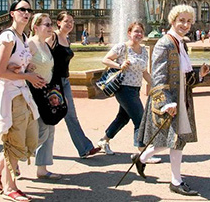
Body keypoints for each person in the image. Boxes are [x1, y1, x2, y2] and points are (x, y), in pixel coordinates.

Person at [134, 4, 210, 196]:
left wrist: (199, 75)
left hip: (182, 98)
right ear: (172, 21)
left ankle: (141, 158)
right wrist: (166, 103)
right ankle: (176, 181)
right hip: (169, 101)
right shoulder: (164, 43)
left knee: (172, 139)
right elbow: (158, 78)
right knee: (176, 140)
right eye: (181, 20)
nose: (185, 24)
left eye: (188, 21)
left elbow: (183, 76)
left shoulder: (181, 44)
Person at [0, 0, 43, 201]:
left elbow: (16, 67)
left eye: (29, 10)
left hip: (22, 93)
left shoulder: (23, 36)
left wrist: (29, 71)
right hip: (10, 95)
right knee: (14, 140)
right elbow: (0, 72)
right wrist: (27, 76)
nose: (26, 13)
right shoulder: (8, 37)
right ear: (12, 13)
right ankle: (10, 187)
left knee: (31, 137)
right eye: (22, 10)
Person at [47, 11, 101, 159]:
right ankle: (26, 148)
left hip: (64, 81)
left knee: (71, 115)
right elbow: (41, 55)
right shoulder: (52, 37)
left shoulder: (67, 39)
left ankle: (85, 148)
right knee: (45, 118)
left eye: (71, 21)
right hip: (53, 83)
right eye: (66, 21)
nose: (70, 24)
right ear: (58, 23)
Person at [98, 22, 151, 155]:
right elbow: (105, 60)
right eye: (136, 31)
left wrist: (155, 85)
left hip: (135, 89)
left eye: (141, 32)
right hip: (123, 88)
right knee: (140, 119)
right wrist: (120, 64)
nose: (139, 34)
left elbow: (144, 72)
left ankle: (104, 141)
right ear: (129, 33)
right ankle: (142, 152)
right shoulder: (123, 47)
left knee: (123, 118)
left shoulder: (144, 51)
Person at [28, 13, 63, 180]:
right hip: (34, 94)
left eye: (50, 24)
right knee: (41, 131)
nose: (51, 28)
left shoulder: (46, 45)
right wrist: (30, 75)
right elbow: (19, 68)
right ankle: (6, 161)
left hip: (46, 93)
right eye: (47, 25)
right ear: (36, 27)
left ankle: (42, 168)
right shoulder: (30, 44)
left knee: (49, 129)